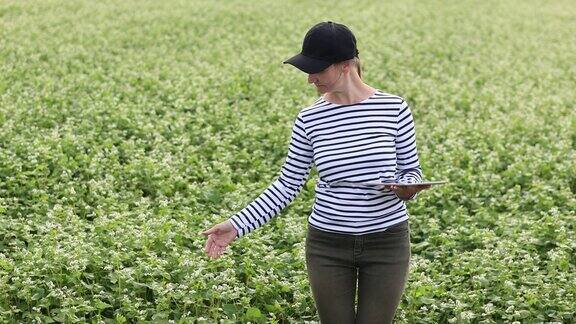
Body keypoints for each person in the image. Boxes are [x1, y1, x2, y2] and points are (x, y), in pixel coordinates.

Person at [202, 21, 431, 323]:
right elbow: (287, 185)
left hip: (387, 242)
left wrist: (407, 188)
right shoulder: (310, 119)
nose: (310, 78)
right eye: (307, 70)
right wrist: (236, 225)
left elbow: (410, 170)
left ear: (346, 65)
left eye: (318, 70)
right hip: (328, 245)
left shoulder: (394, 109)